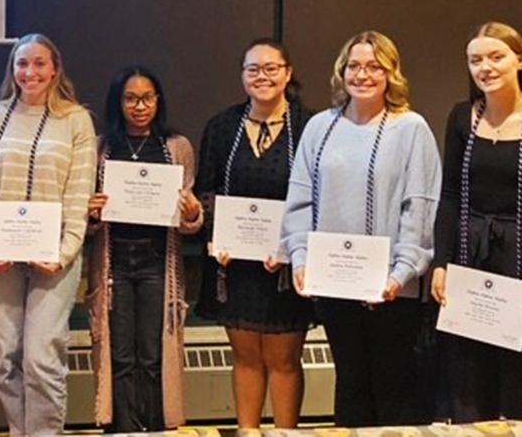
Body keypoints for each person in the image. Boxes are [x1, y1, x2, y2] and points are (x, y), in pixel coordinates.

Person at [281, 30, 441, 427]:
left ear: (391, 73)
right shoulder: (320, 127)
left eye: (374, 67)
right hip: (335, 285)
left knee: (392, 390)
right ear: (342, 71)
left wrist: (400, 272)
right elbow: (300, 200)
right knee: (350, 384)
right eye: (354, 66)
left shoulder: (412, 128)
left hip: (393, 289)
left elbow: (418, 207)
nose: (363, 75)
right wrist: (300, 259)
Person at [0, 33, 96, 436]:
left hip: (54, 260)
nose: (30, 72)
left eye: (39, 63)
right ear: (13, 69)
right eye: (23, 63)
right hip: (0, 260)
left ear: (55, 68)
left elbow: (79, 191)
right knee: (7, 357)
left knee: (41, 359)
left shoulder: (75, 120)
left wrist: (64, 250)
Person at [195, 39, 314, 428]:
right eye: (252, 69)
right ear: (242, 76)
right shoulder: (222, 126)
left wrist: (292, 248)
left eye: (271, 68)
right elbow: (206, 190)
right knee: (245, 359)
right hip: (236, 266)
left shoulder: (311, 126)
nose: (262, 76)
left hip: (285, 266)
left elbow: (320, 197)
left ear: (288, 73)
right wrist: (216, 237)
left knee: (283, 361)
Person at [85, 65, 203, 432]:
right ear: (118, 102)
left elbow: (190, 217)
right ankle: (121, 427)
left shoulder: (176, 148)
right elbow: (87, 216)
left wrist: (193, 212)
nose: (139, 106)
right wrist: (92, 211)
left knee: (153, 354)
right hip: (114, 263)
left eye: (147, 98)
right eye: (131, 98)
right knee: (119, 353)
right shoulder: (102, 147)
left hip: (157, 263)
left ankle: (153, 427)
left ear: (159, 101)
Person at [432, 21, 522, 421]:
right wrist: (441, 262)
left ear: (519, 60)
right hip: (471, 251)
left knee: (514, 360)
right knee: (470, 365)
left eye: (496, 57)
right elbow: (450, 195)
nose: (485, 67)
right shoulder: (461, 117)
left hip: (518, 253)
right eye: (475, 60)